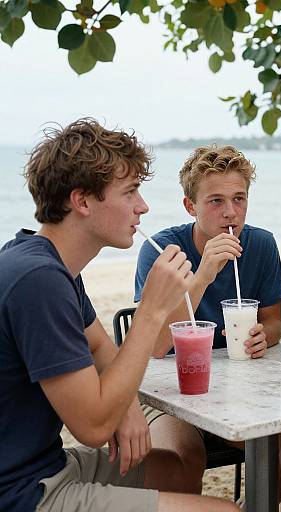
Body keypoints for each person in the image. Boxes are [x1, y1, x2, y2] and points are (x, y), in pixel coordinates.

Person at [0, 118, 237, 512]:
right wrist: (152, 311)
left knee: (177, 469)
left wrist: (128, 409)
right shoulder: (39, 280)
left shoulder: (46, 261)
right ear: (82, 201)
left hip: (44, 465)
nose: (142, 206)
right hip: (22, 492)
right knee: (225, 511)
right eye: (129, 192)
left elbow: (99, 344)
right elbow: (92, 428)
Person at [134, 144, 281, 497]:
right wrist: (202, 274)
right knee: (182, 456)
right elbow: (156, 345)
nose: (231, 212)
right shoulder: (161, 251)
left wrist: (265, 336)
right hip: (171, 391)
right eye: (216, 201)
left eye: (239, 198)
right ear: (191, 206)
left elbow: (274, 322)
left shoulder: (261, 245)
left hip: (239, 387)